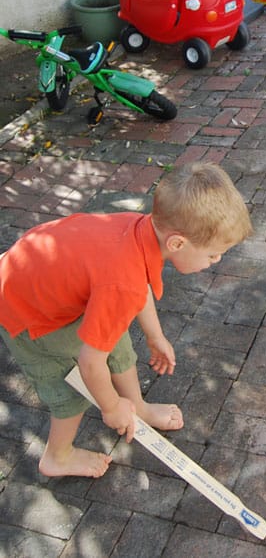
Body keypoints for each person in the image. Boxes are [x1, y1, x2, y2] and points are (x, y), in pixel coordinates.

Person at [0, 162, 252, 478]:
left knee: (115, 336)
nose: (216, 261)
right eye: (213, 254)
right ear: (177, 243)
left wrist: (155, 335)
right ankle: (57, 457)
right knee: (69, 390)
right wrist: (111, 408)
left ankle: (139, 407)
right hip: (27, 313)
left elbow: (136, 287)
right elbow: (90, 363)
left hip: (41, 277)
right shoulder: (122, 280)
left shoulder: (140, 229)